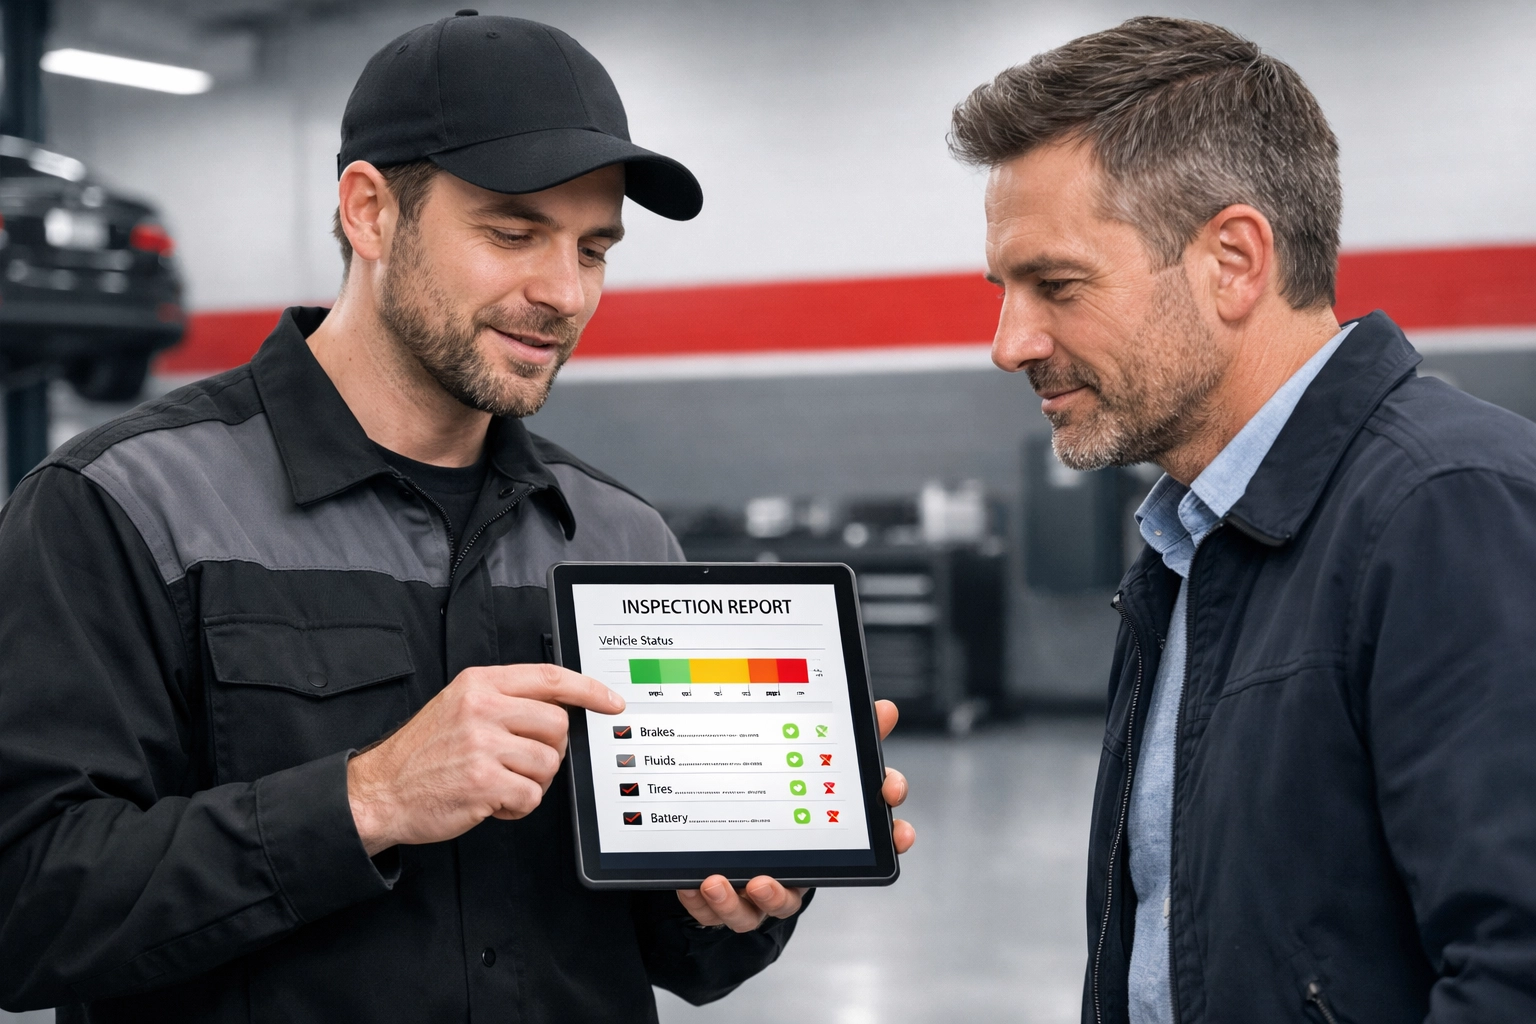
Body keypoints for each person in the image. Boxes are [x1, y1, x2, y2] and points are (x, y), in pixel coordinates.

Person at [0, 13, 913, 1022]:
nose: (563, 292)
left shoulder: (620, 538)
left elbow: (675, 953)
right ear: (370, 213)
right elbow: (26, 904)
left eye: (594, 248)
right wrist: (366, 800)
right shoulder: (125, 506)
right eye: (513, 232)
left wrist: (750, 886)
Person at [952, 15, 1536, 1024]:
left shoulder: (1446, 509)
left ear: (1233, 260)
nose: (1011, 342)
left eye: (1055, 285)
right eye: (1003, 289)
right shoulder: (1191, 540)